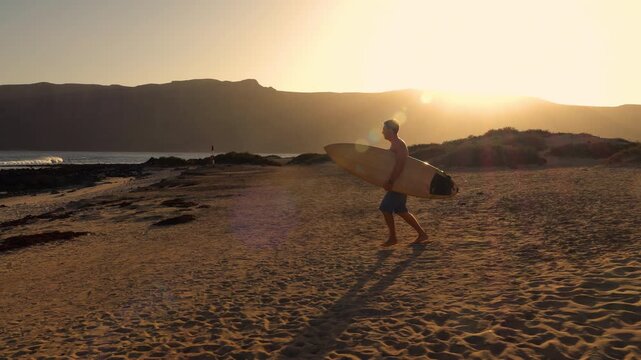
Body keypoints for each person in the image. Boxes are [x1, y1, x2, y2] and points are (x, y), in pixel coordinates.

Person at [379, 119, 428, 247]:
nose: (382, 132)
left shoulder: (399, 144)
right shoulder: (394, 144)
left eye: (384, 129)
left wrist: (391, 181)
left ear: (390, 130)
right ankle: (422, 234)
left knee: (385, 207)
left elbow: (400, 165)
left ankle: (393, 238)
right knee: (400, 210)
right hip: (399, 182)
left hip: (400, 183)